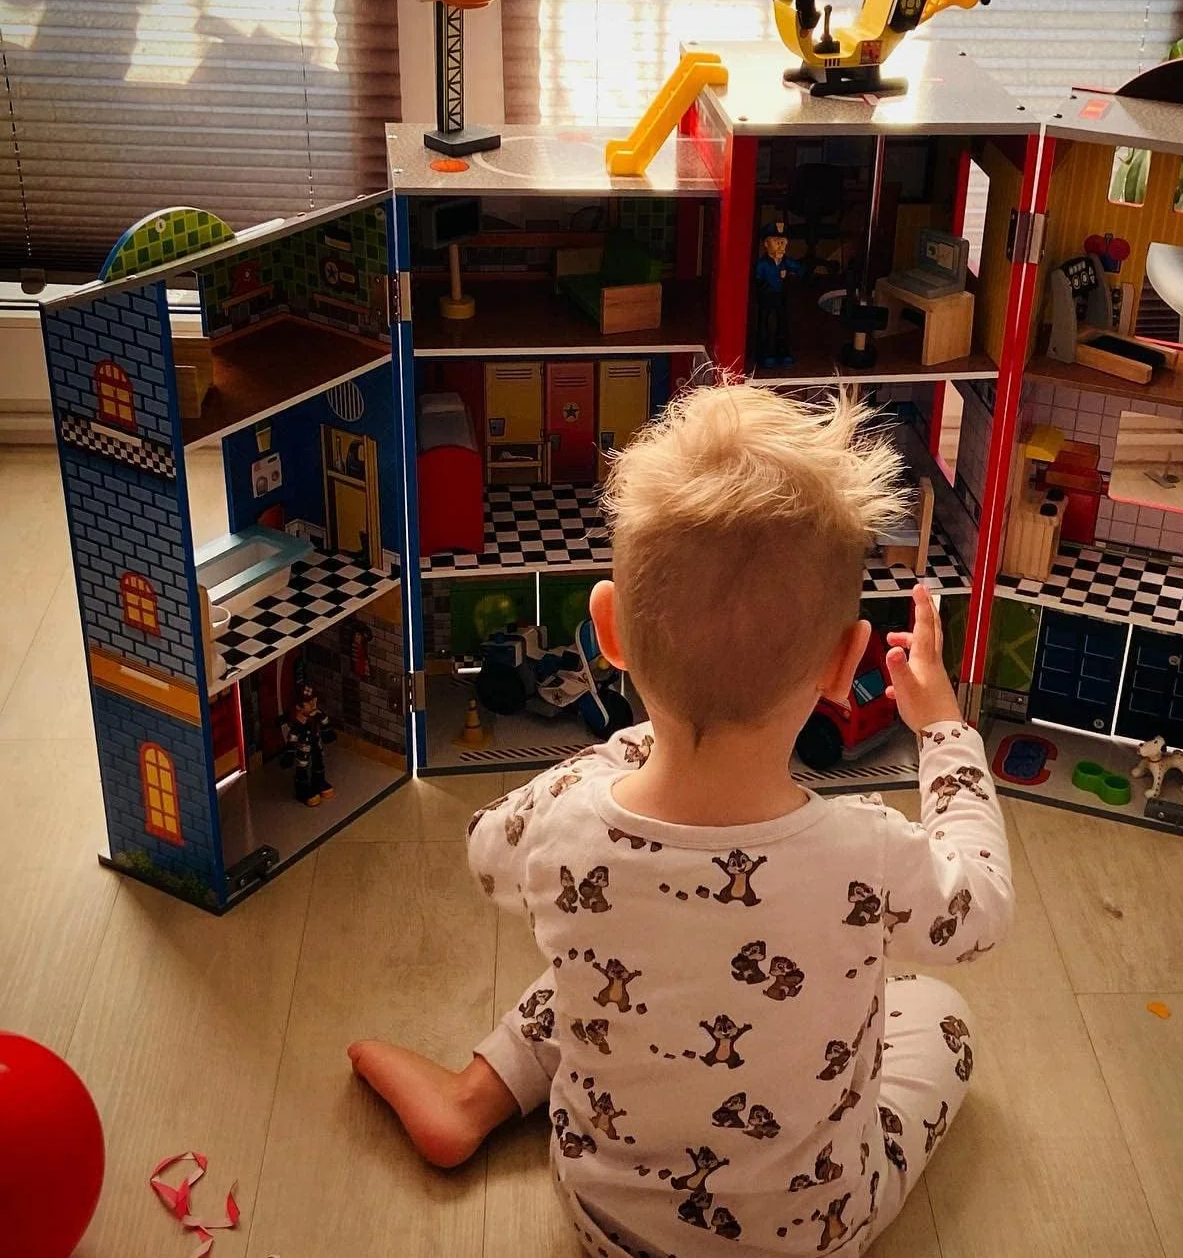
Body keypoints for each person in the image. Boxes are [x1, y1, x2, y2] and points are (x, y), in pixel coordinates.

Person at [349, 384, 1013, 1255]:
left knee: (606, 949)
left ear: (609, 632)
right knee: (938, 1011)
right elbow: (979, 906)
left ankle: (476, 1094)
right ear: (842, 665)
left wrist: (628, 751)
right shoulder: (868, 853)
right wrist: (945, 731)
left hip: (607, 1221)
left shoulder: (566, 819)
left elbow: (485, 852)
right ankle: (482, 1095)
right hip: (807, 1238)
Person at [754, 220, 804, 367]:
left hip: (781, 297)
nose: (780, 246)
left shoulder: (786, 262)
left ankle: (782, 352)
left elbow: (800, 270)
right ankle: (766, 353)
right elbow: (758, 280)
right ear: (766, 244)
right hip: (767, 297)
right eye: (776, 242)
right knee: (766, 325)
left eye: (783, 242)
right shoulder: (763, 264)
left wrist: (790, 275)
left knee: (782, 324)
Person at [282, 683, 335, 806]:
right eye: (308, 701)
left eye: (313, 699)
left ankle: (319, 781)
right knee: (302, 766)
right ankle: (302, 789)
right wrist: (289, 752)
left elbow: (325, 721)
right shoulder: (299, 721)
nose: (313, 703)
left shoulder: (317, 714)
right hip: (303, 746)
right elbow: (293, 736)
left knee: (318, 761)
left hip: (316, 741)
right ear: (298, 706)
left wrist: (328, 733)